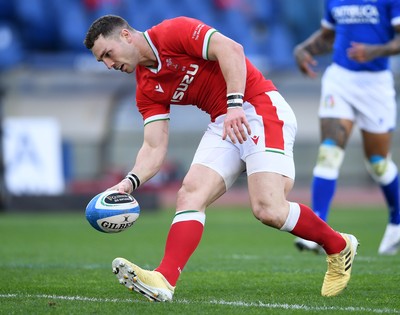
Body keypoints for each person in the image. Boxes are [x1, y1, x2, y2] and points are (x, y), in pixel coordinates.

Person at [84, 14, 358, 302]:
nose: (109, 65)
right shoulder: (147, 88)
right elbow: (154, 148)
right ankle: (164, 279)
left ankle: (339, 246)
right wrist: (129, 182)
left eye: (108, 54)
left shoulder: (171, 32)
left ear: (126, 36)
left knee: (269, 209)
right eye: (102, 60)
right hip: (224, 121)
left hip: (257, 107)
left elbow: (231, 50)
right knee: (190, 193)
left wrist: (235, 104)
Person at [293, 0, 400, 255]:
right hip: (339, 80)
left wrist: (376, 51)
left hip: (376, 85)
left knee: (378, 163)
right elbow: (329, 36)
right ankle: (316, 228)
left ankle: (397, 220)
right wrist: (304, 48)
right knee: (328, 154)